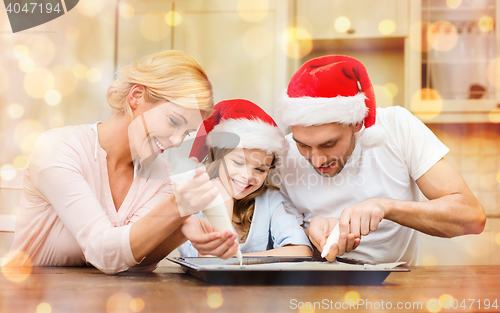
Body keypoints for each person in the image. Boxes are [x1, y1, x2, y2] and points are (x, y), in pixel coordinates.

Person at [7, 50, 238, 274]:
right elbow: (103, 253)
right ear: (136, 96)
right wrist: (176, 209)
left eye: (187, 132)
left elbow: (132, 261)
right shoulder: (58, 148)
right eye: (173, 121)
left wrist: (180, 231)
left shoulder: (160, 174)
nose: (177, 141)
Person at [277, 55, 486, 265]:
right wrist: (310, 234)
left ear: (357, 123)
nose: (317, 160)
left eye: (329, 144)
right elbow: (280, 243)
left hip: (394, 287)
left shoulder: (397, 127)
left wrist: (385, 207)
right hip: (314, 289)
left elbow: (471, 218)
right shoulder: (283, 157)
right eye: (303, 145)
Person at [178, 99, 312, 257]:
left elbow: (301, 251)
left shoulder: (270, 201)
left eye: (260, 169)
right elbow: (207, 259)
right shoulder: (193, 203)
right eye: (238, 162)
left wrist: (238, 260)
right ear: (218, 158)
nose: (247, 176)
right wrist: (224, 207)